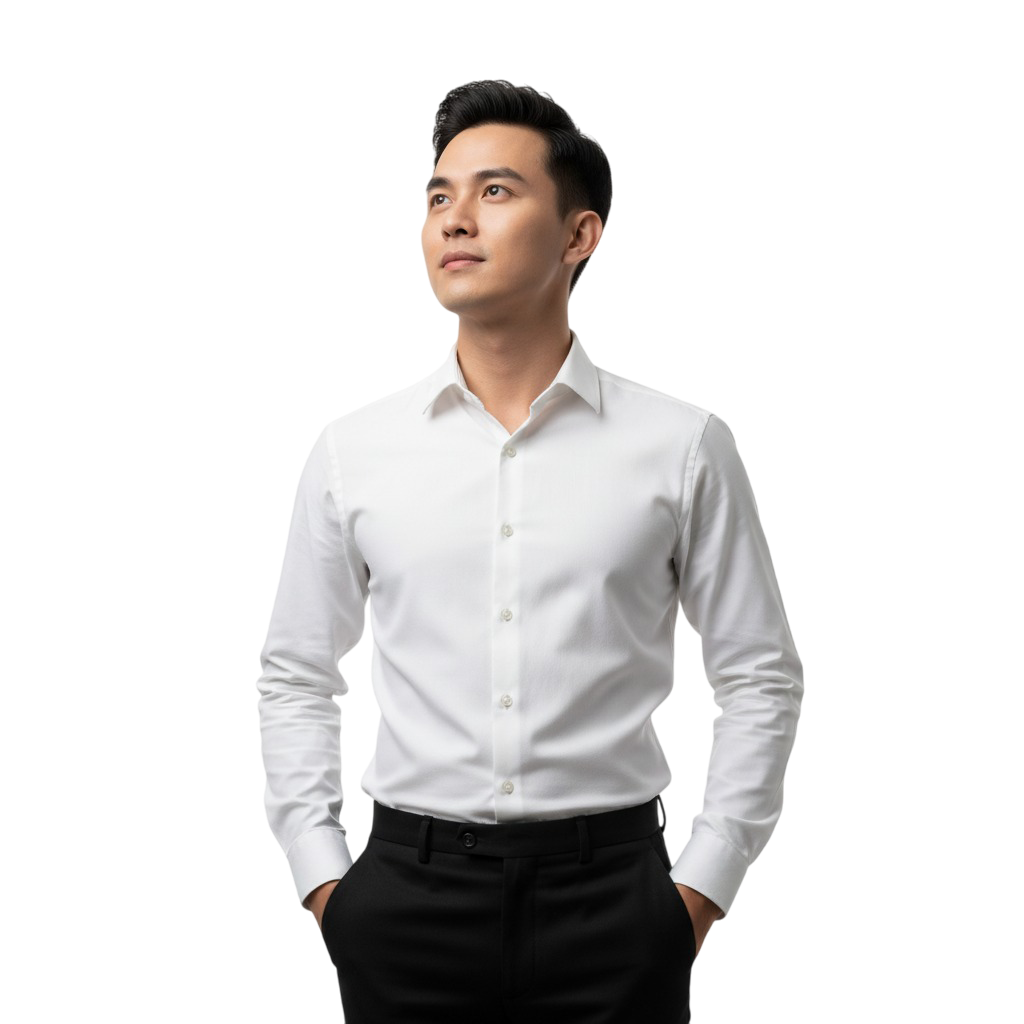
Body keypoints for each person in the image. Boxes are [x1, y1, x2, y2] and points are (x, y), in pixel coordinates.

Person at [255, 78, 803, 1023]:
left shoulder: (682, 444)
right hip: (404, 902)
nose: (454, 219)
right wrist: (325, 881)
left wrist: (702, 887)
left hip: (617, 904)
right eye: (438, 196)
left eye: (496, 191)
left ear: (579, 235)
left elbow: (760, 675)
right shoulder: (354, 448)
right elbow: (298, 672)